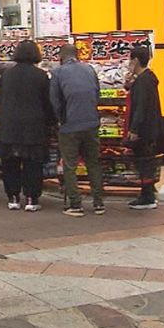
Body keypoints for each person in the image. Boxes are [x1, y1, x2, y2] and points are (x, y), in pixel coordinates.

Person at [0, 40, 56, 212]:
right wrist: (52, 122)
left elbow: (1, 99)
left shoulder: (7, 75)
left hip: (9, 124)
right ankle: (31, 198)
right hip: (34, 125)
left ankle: (13, 197)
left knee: (10, 162)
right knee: (33, 163)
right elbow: (47, 102)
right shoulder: (41, 75)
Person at [50, 43, 105, 217]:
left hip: (70, 125)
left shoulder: (58, 73)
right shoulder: (89, 69)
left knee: (70, 165)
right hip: (91, 123)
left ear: (61, 57)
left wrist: (60, 119)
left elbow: (55, 101)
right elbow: (97, 95)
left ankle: (76, 204)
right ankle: (98, 203)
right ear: (77, 55)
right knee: (93, 163)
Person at [126, 46, 162, 211]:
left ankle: (147, 197)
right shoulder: (148, 78)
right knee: (147, 161)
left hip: (144, 129)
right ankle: (147, 193)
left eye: (130, 60)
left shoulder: (142, 81)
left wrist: (134, 129)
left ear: (136, 60)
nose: (129, 63)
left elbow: (140, 107)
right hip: (151, 127)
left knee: (144, 162)